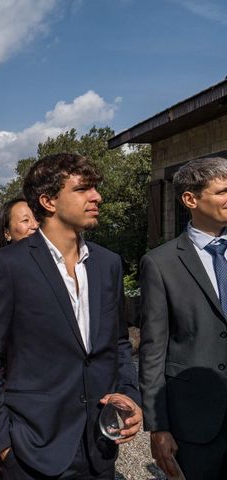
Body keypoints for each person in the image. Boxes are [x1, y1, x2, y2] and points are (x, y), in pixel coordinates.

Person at [0, 153, 142, 479]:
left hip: (99, 448)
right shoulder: (9, 266)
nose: (97, 197)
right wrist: (4, 444)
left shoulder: (108, 264)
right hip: (32, 450)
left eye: (95, 188)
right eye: (83, 189)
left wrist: (130, 395)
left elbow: (118, 343)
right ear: (48, 201)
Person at [139, 157, 227, 479]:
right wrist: (158, 427)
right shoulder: (160, 264)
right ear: (191, 199)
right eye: (223, 191)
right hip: (196, 421)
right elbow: (152, 351)